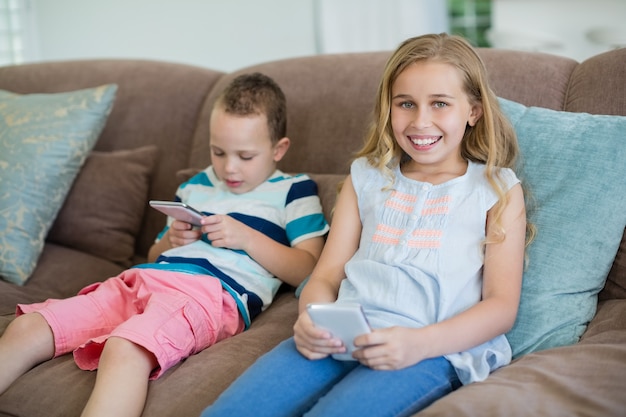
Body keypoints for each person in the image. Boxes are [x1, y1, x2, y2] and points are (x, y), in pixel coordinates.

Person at [201, 33, 530, 417]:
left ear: (473, 111)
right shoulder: (367, 177)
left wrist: (420, 344)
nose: (421, 121)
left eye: (440, 103)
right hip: (340, 332)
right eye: (406, 104)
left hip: (428, 348)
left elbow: (501, 306)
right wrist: (311, 317)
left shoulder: (496, 189)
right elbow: (324, 276)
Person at [0, 72, 329, 417]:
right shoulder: (196, 185)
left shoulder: (295, 190)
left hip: (208, 295)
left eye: (245, 156)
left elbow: (308, 269)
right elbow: (156, 254)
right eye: (218, 152)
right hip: (141, 279)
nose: (229, 167)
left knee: (125, 347)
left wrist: (248, 239)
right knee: (29, 326)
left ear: (279, 149)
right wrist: (173, 238)